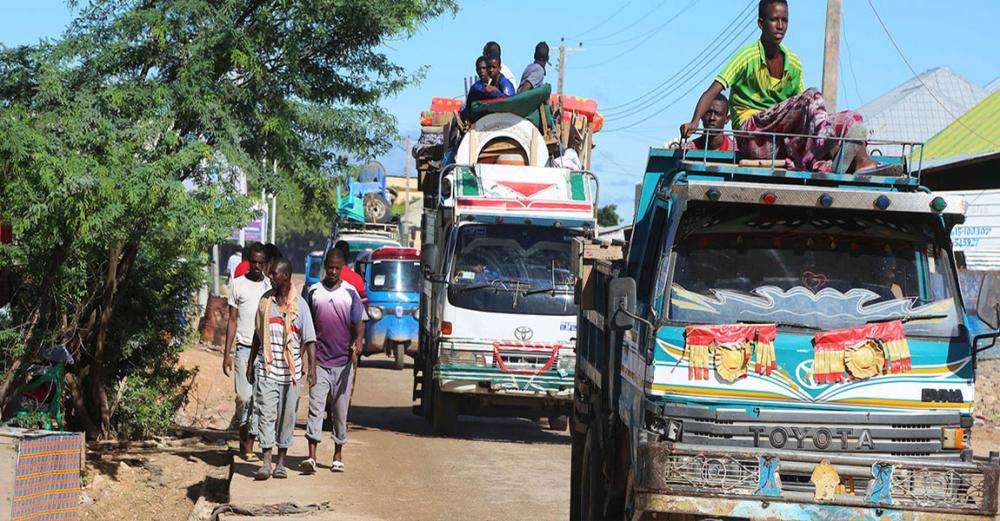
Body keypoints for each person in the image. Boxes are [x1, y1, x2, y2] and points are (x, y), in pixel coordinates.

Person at [681, 0, 887, 174]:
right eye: (774, 20)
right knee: (812, 96)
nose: (780, 25)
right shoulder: (747, 57)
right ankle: (826, 148)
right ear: (761, 23)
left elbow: (803, 114)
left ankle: (860, 163)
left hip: (778, 143)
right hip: (752, 136)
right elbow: (713, 91)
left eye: (784, 20)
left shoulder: (794, 63)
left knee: (852, 118)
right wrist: (694, 121)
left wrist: (837, 128)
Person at [247, 258, 316, 480]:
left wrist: (312, 368)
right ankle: (266, 463)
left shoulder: (301, 306)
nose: (270, 276)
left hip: (291, 374)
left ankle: (280, 463)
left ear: (285, 276)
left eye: (274, 274)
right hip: (267, 370)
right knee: (266, 415)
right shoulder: (265, 302)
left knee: (287, 418)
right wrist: (250, 364)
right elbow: (257, 336)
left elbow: (310, 339)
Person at [300, 248, 365, 474]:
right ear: (325, 267)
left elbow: (358, 321)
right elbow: (305, 325)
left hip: (343, 363)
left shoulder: (350, 293)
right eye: (330, 267)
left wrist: (358, 340)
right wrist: (303, 357)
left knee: (340, 410)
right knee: (315, 408)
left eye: (338, 268)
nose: (333, 272)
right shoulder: (314, 292)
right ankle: (312, 456)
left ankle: (338, 454)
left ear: (343, 268)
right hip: (319, 362)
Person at [223, 242, 270, 462]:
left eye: (261, 262)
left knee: (258, 400)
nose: (257, 266)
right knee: (244, 397)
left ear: (265, 263)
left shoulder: (269, 286)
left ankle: (248, 446)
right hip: (243, 349)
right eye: (254, 262)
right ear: (248, 262)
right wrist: (227, 354)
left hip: (263, 350)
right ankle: (243, 434)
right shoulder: (238, 284)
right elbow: (232, 320)